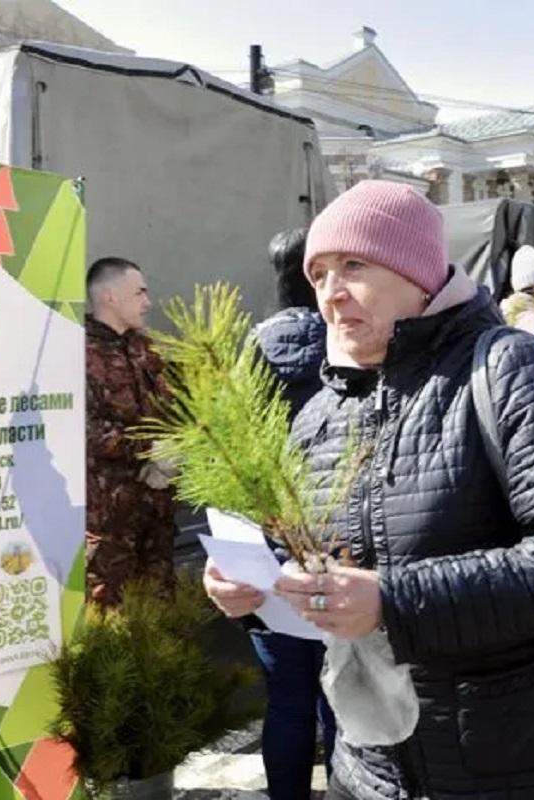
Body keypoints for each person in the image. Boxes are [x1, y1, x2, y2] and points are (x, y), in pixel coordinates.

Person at [204, 180, 534, 800]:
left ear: (419, 273)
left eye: (353, 265)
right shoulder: (325, 407)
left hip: (512, 766)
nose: (331, 292)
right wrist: (255, 584)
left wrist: (393, 601)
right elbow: (312, 558)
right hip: (367, 767)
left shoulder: (508, 366)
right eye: (319, 273)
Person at [224, 228, 339, 800]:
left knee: (288, 698)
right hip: (338, 546)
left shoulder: (248, 350)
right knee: (345, 695)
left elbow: (227, 461)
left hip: (269, 549)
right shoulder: (345, 343)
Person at [85, 257, 176, 607]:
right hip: (111, 520)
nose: (147, 302)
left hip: (156, 511)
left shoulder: (146, 349)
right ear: (110, 297)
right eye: (139, 292)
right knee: (110, 615)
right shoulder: (79, 352)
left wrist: (176, 450)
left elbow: (176, 406)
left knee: (162, 610)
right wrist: (150, 449)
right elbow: (86, 430)